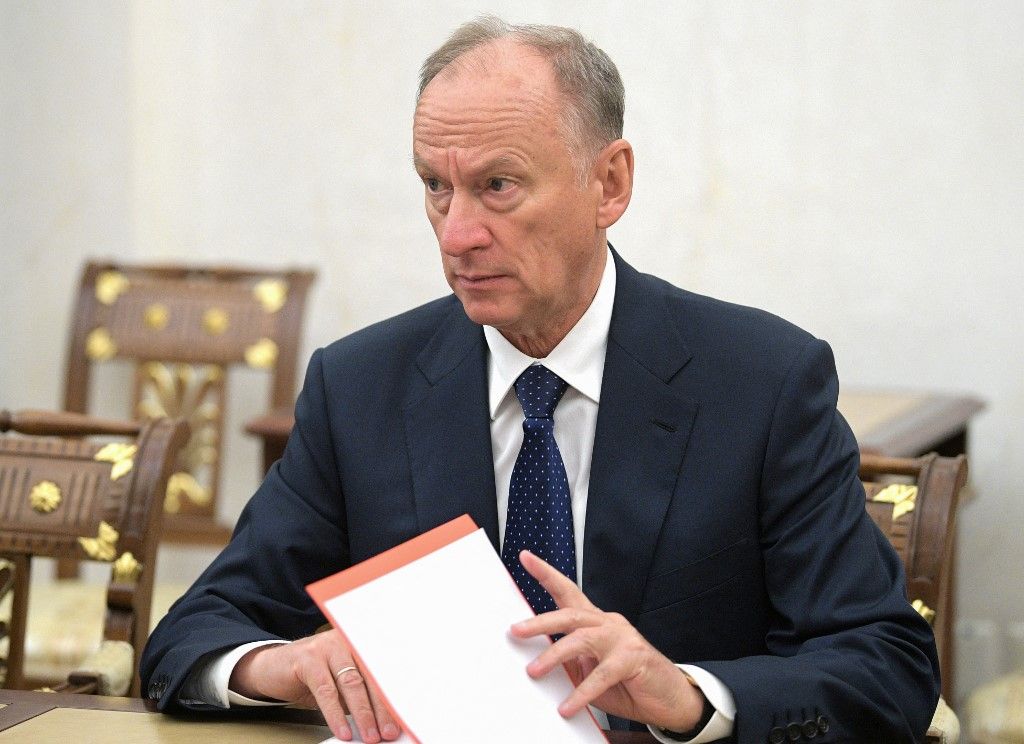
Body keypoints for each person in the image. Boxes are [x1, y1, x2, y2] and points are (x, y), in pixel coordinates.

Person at [141, 17, 939, 743]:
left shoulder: (762, 384)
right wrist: (276, 666)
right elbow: (192, 634)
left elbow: (886, 665)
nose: (457, 234)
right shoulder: (359, 388)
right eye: (434, 186)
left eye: (498, 186)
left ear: (610, 185)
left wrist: (689, 696)